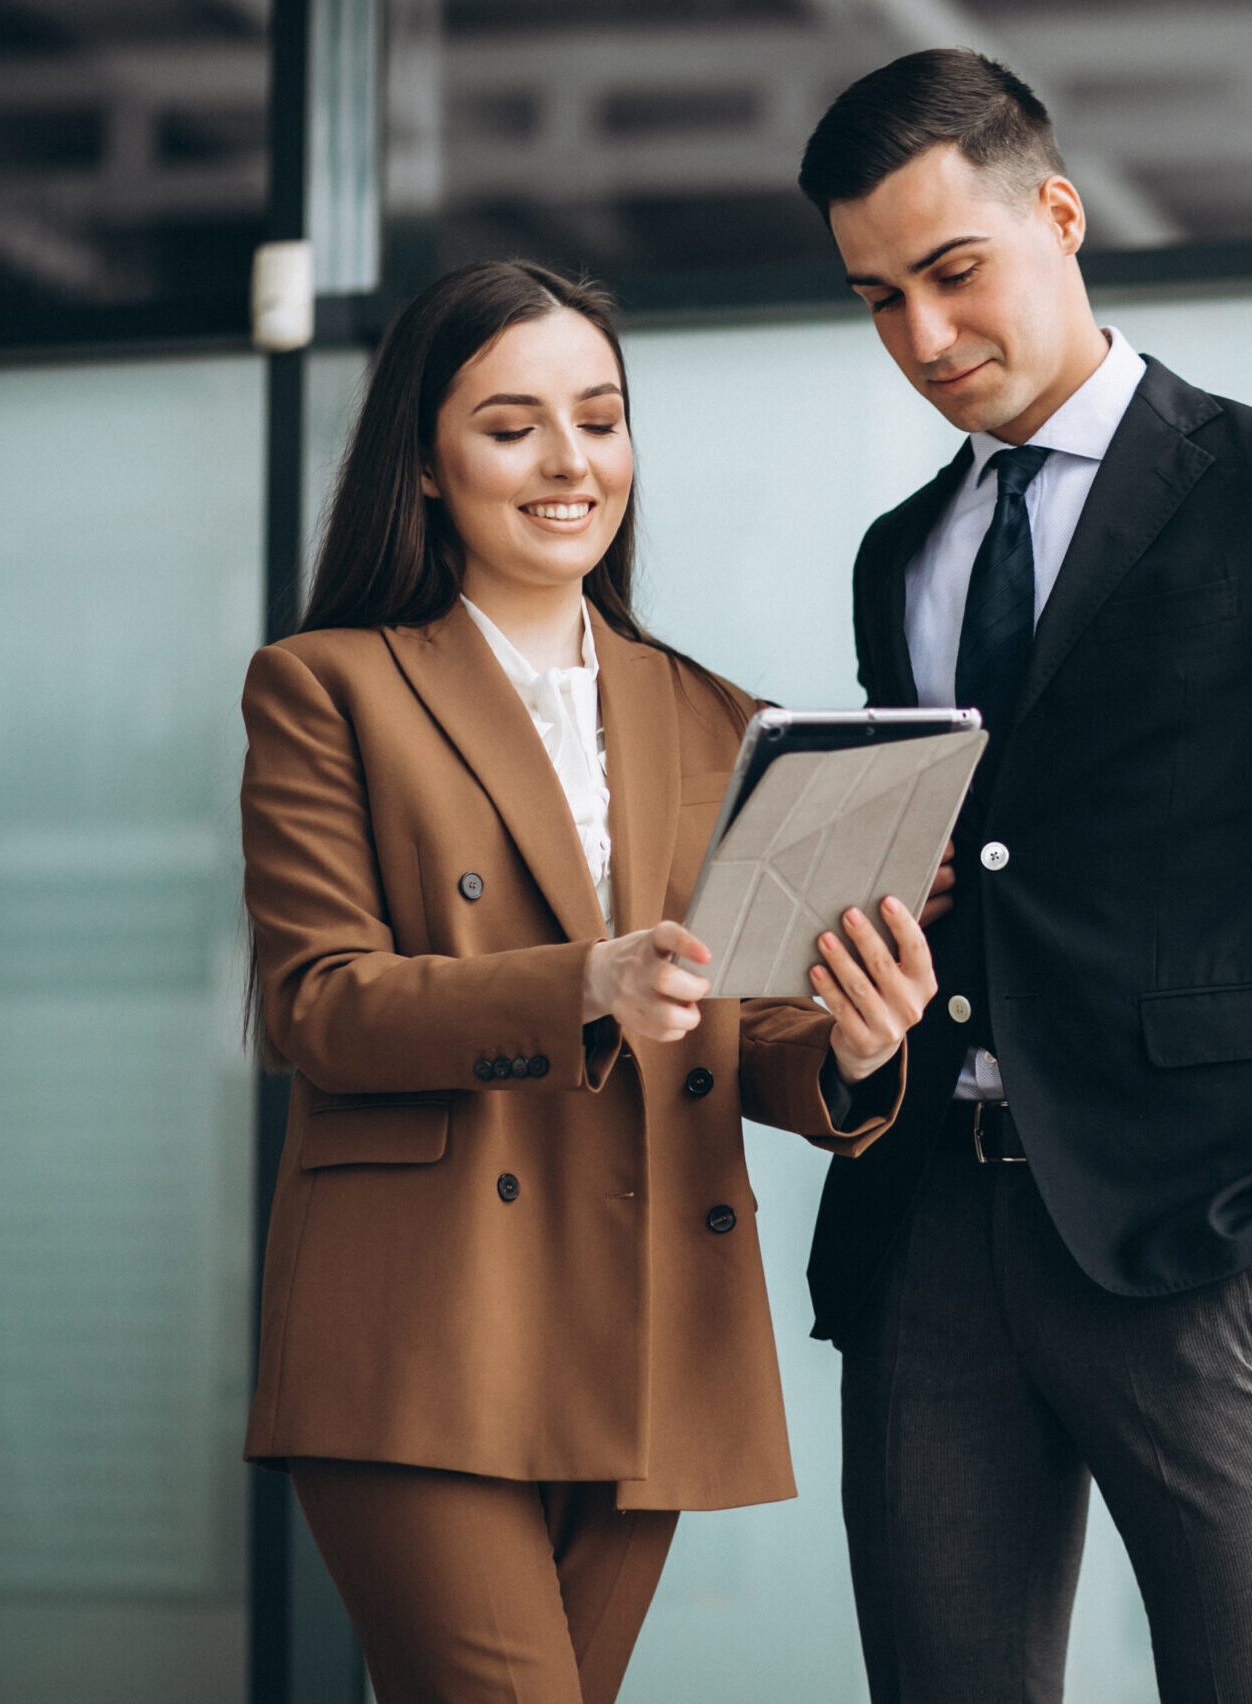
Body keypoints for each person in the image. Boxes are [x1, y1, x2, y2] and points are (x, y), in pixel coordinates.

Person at [795, 50, 1252, 1704]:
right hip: (926, 1238)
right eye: (876, 298)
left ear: (1058, 215)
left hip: (1210, 1239)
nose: (920, 337)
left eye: (952, 272)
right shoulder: (897, 555)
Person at [239, 259, 935, 1704]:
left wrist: (857, 1046)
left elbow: (750, 1031)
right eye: (512, 427)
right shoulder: (329, 688)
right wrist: (583, 984)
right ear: (424, 466)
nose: (572, 463)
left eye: (601, 419)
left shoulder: (717, 716)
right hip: (429, 1328)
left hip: (646, 1319)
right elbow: (320, 1005)